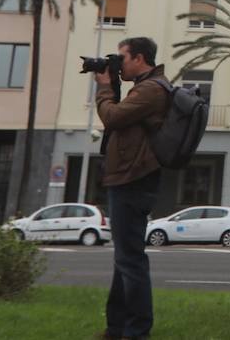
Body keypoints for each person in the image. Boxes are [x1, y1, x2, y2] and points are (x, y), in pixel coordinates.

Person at [93, 36, 170, 340]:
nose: (118, 63)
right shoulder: (144, 87)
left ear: (139, 58)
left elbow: (112, 117)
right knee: (124, 259)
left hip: (133, 180)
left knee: (130, 259)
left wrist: (104, 87)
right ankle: (117, 328)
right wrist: (113, 84)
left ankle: (137, 331)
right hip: (129, 178)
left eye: (121, 58)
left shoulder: (151, 89)